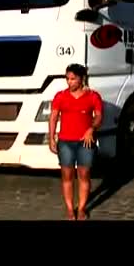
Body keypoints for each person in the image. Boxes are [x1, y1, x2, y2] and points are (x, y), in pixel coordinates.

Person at [48, 63, 103, 220]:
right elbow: (53, 117)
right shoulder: (60, 96)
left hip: (85, 142)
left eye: (73, 79)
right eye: (67, 79)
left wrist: (91, 129)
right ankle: (70, 209)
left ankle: (82, 208)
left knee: (84, 174)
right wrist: (51, 138)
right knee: (67, 175)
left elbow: (99, 116)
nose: (69, 82)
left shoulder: (93, 96)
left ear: (82, 79)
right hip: (65, 142)